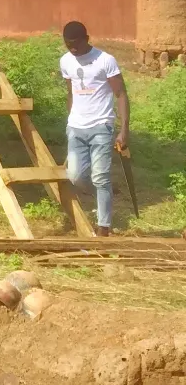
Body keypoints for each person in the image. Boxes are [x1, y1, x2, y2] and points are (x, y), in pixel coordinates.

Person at [60, 21, 130, 236]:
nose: (72, 49)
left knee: (100, 176)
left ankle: (104, 227)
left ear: (87, 39)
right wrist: (70, 121)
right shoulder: (66, 61)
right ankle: (105, 191)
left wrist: (123, 129)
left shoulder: (105, 60)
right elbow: (71, 93)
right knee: (75, 176)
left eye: (76, 44)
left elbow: (121, 94)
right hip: (76, 127)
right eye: (68, 44)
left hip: (101, 126)